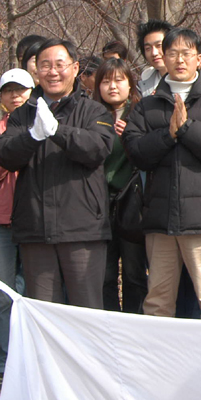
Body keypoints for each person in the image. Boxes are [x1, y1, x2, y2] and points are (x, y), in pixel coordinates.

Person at [0, 39, 115, 308]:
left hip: (83, 229)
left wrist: (59, 132)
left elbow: (98, 148)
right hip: (36, 229)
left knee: (87, 311)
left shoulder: (94, 109)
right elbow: (4, 154)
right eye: (45, 65)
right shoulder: (22, 114)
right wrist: (33, 136)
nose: (53, 71)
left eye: (60, 65)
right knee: (45, 313)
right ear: (36, 70)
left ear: (75, 68)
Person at [123, 28, 201, 320]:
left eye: (186, 53)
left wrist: (188, 128)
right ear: (163, 59)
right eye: (172, 53)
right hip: (159, 219)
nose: (179, 60)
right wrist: (168, 136)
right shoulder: (146, 105)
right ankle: (158, 363)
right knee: (157, 300)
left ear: (199, 59)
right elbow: (137, 153)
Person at [0, 69, 33, 392]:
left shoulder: (41, 125)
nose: (15, 97)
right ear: (1, 96)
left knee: (30, 294)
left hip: (32, 221)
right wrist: (9, 153)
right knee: (2, 296)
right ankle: (3, 364)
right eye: (9, 91)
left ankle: (29, 361)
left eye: (22, 91)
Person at [92, 58, 148, 313]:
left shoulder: (140, 112)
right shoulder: (90, 114)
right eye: (106, 81)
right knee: (103, 276)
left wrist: (131, 137)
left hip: (132, 205)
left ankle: (135, 328)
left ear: (130, 83)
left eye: (119, 80)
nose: (112, 86)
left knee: (135, 273)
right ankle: (109, 330)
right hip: (98, 207)